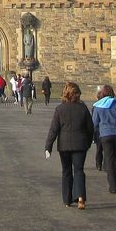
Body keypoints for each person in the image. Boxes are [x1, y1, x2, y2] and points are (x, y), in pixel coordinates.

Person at [45, 82, 95, 210]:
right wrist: (88, 142)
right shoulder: (83, 108)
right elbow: (90, 128)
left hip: (64, 145)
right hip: (80, 144)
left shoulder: (60, 109)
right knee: (79, 170)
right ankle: (80, 198)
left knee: (66, 171)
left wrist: (48, 147)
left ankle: (67, 199)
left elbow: (53, 130)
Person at [92, 85, 116, 194]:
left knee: (109, 159)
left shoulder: (98, 106)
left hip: (105, 134)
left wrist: (93, 136)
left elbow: (95, 123)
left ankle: (112, 185)